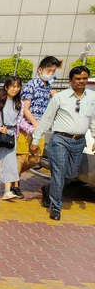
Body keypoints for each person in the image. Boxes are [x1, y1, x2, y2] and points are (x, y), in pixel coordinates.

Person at [31, 65, 95, 220]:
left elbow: (92, 120)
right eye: (78, 79)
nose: (81, 81)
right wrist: (35, 139)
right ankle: (56, 207)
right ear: (70, 80)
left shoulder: (92, 97)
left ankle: (49, 188)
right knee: (59, 174)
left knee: (72, 174)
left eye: (84, 78)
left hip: (79, 142)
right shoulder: (60, 97)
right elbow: (46, 120)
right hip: (60, 140)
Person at [0, 76, 35, 201]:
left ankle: (7, 191)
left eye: (17, 87)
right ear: (6, 87)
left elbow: (20, 121)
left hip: (11, 137)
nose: (15, 89)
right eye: (12, 86)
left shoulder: (20, 104)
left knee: (10, 163)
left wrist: (31, 129)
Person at [17, 56, 61, 197]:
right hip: (26, 126)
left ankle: (12, 175)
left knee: (35, 159)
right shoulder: (31, 85)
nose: (51, 74)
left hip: (40, 127)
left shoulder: (48, 84)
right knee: (22, 157)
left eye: (53, 71)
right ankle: (14, 185)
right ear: (40, 70)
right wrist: (35, 123)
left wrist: (52, 94)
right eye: (49, 70)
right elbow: (25, 108)